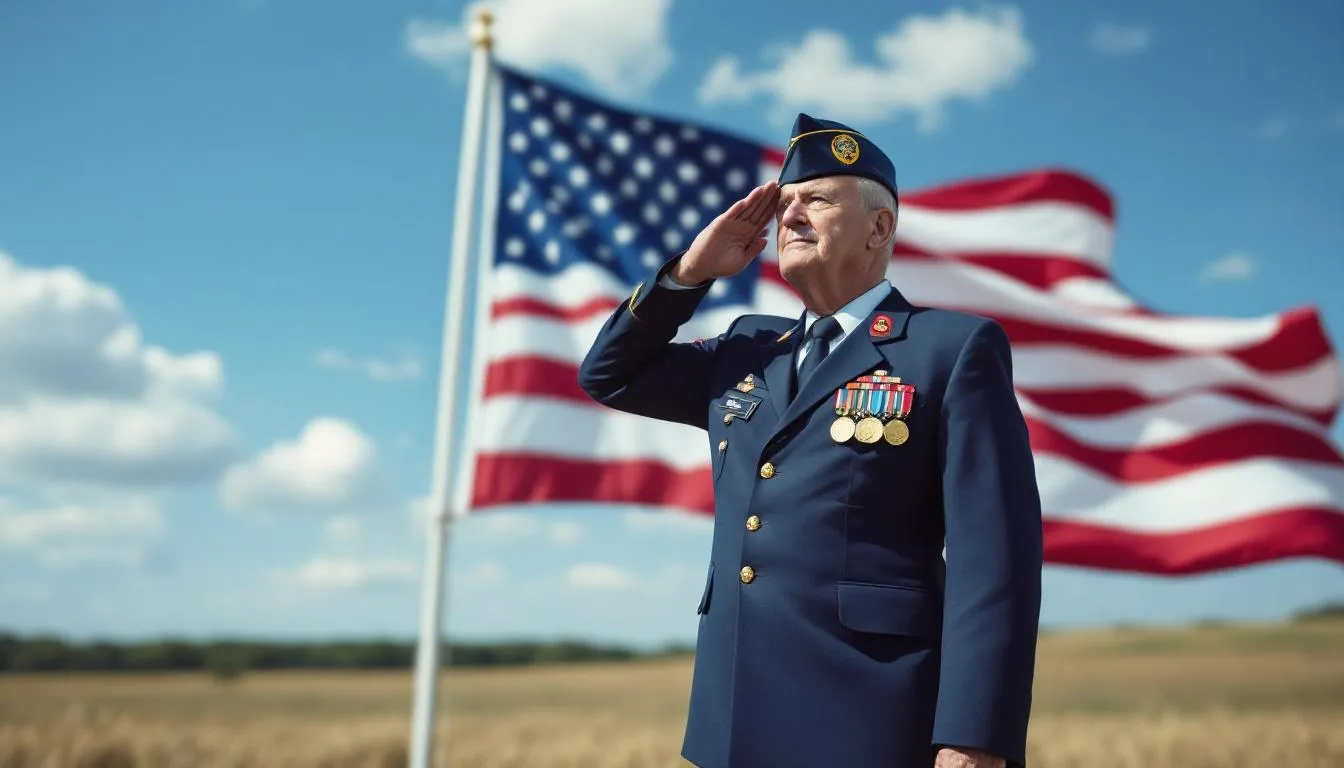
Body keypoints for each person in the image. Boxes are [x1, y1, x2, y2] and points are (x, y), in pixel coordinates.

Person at [577, 113, 1043, 768]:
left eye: (817, 199)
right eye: (785, 204)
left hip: (873, 716)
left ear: (880, 228)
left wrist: (974, 736)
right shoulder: (744, 347)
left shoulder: (948, 349)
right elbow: (607, 375)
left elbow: (993, 557)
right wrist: (688, 272)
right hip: (733, 720)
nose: (790, 216)